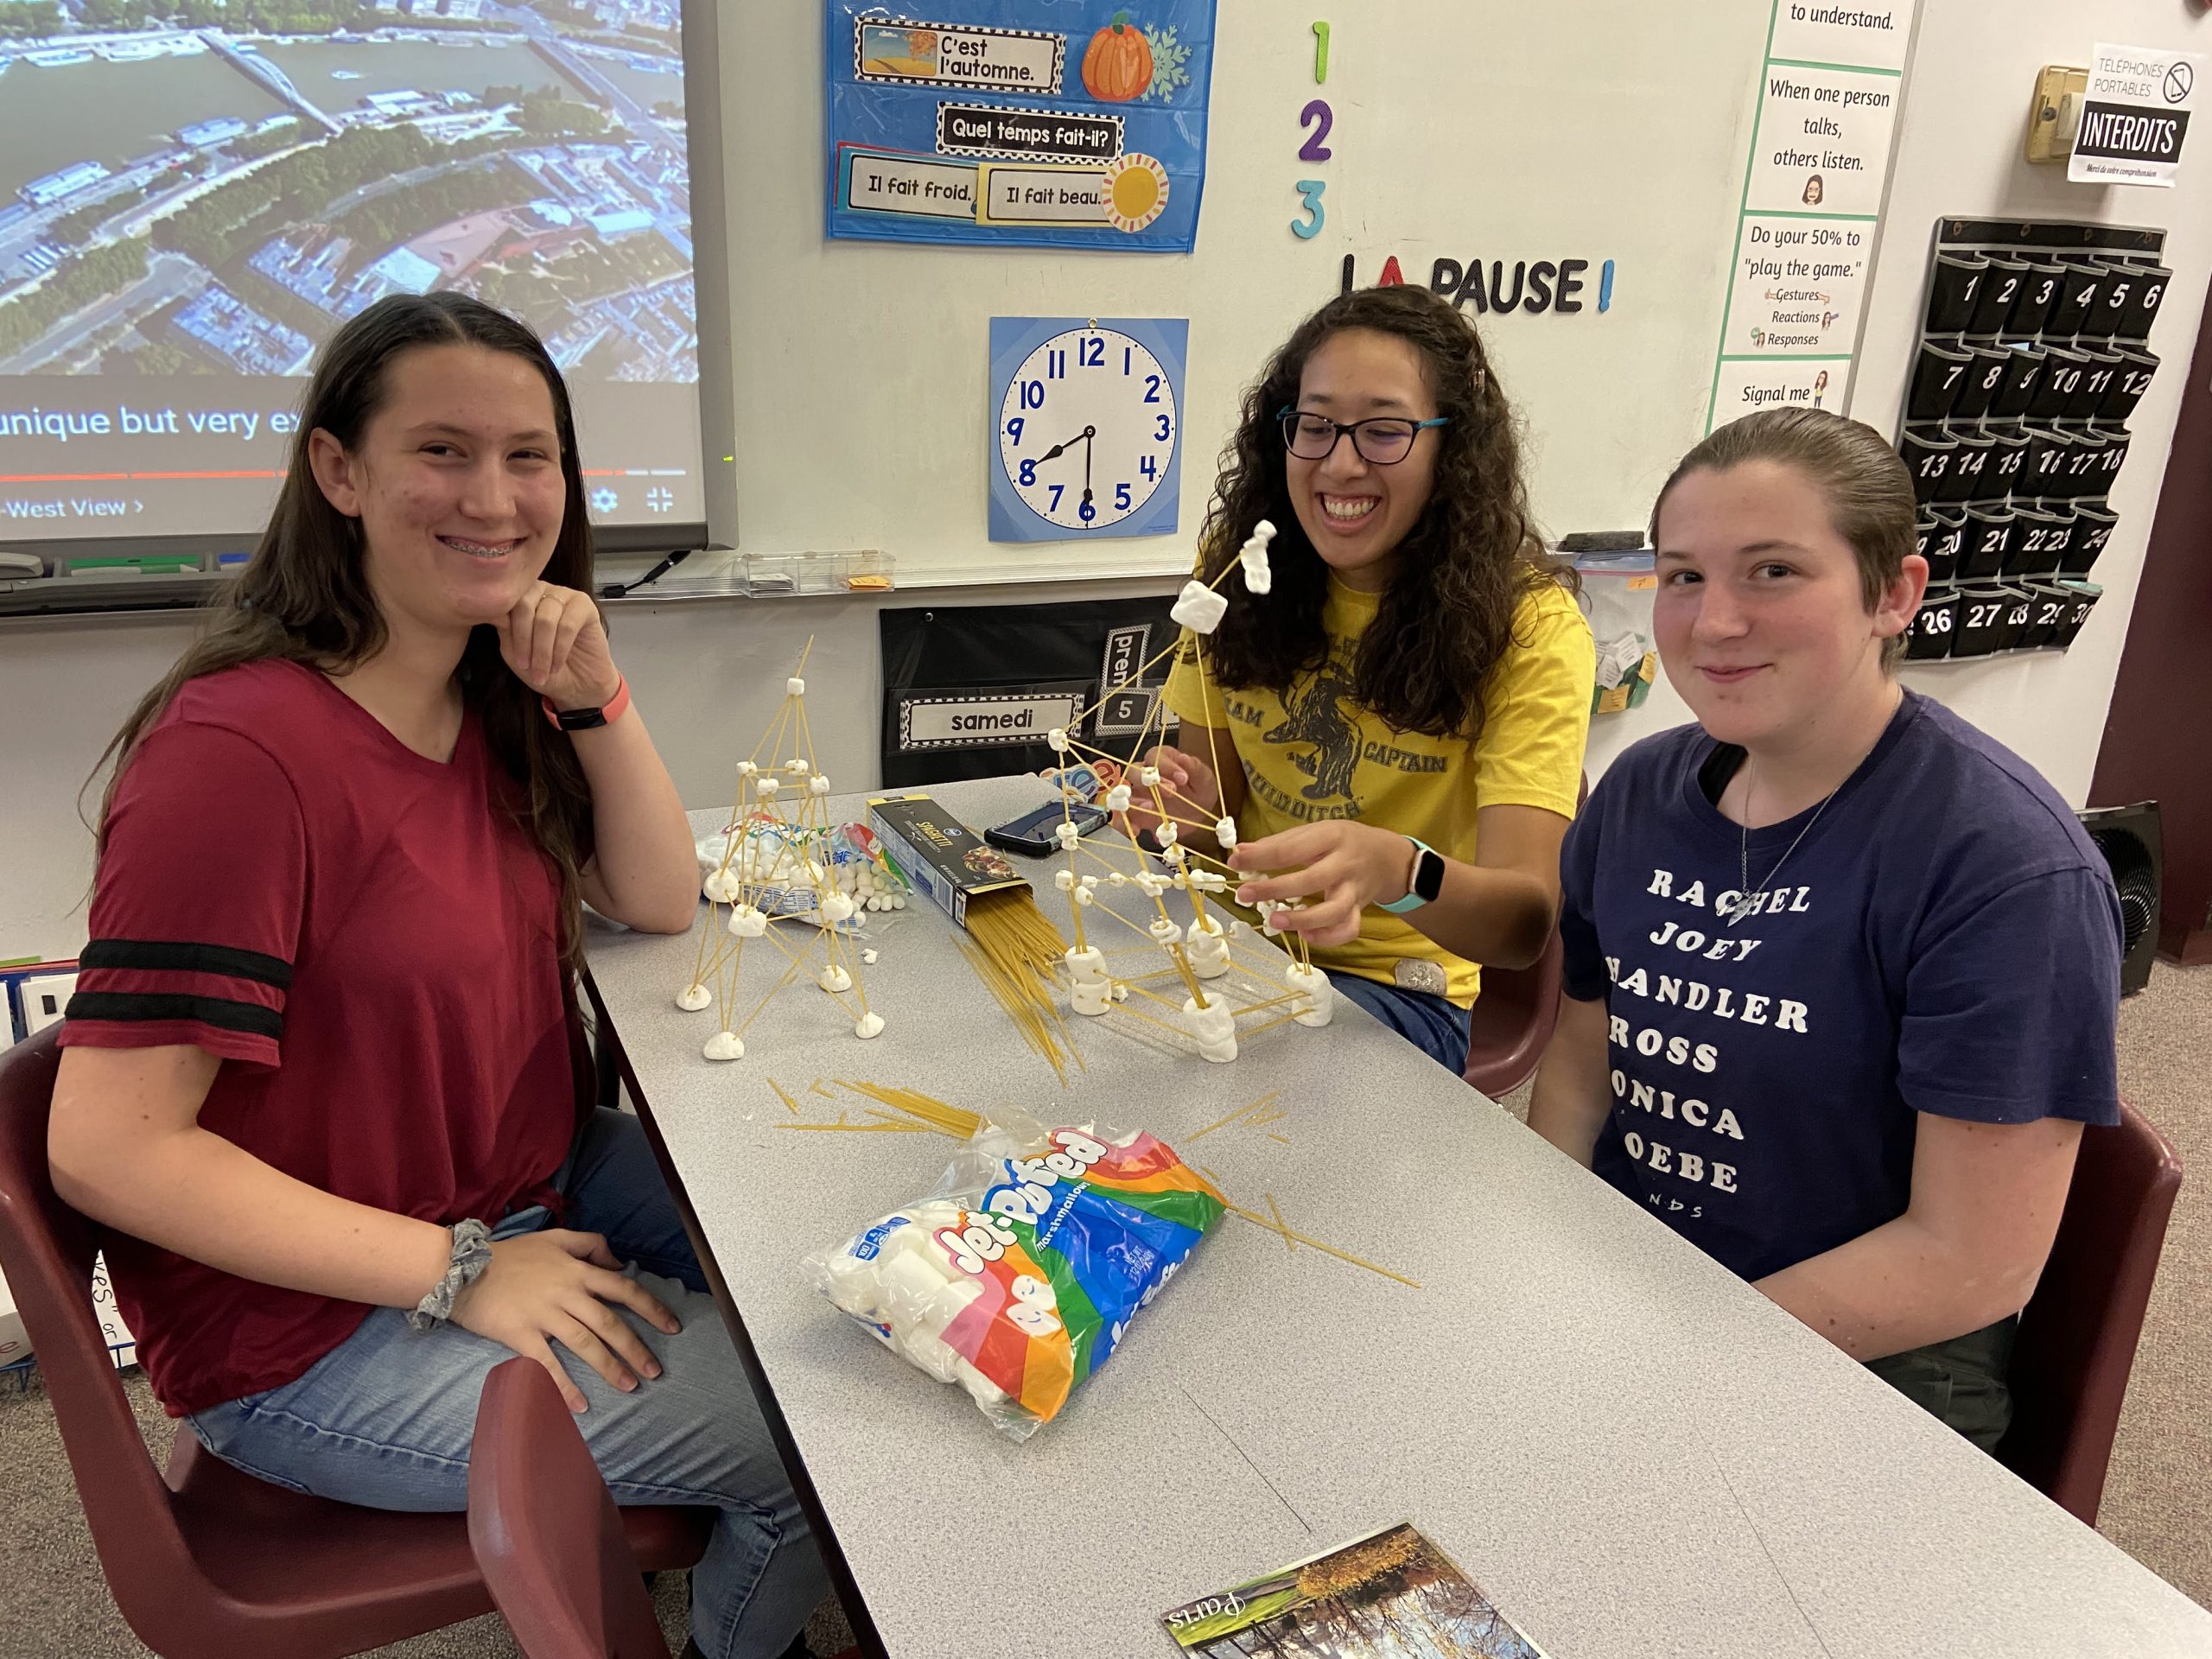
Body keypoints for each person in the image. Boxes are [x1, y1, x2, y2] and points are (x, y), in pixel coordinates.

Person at [49, 293, 826, 1658]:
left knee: (833, 1272)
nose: (498, 496)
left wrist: (597, 695)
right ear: (338, 473)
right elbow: (109, 1150)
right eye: (444, 453)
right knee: (818, 1433)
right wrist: (459, 1271)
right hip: (313, 1331)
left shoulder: (481, 690)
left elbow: (652, 899)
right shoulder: (236, 758)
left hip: (522, 1183)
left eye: (531, 456)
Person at [1527, 407, 2122, 1449]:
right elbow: (1582, 1067)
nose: (1713, 622)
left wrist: (1666, 1360)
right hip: (1634, 1287)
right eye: (1682, 577)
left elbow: (1967, 1259)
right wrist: (1543, 1268)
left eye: (1772, 573)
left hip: (1862, 1369)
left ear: (1893, 594)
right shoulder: (1639, 793)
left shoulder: (2001, 865)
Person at [1129, 284, 1593, 1072]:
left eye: (1384, 432)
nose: (1340, 464)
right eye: (1314, 427)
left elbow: (1522, 929)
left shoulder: (1531, 627)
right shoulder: (1238, 573)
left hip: (1403, 989)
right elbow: (1212, 829)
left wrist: (1398, 869)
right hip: (1237, 949)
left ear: (1454, 450)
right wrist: (1161, 813)